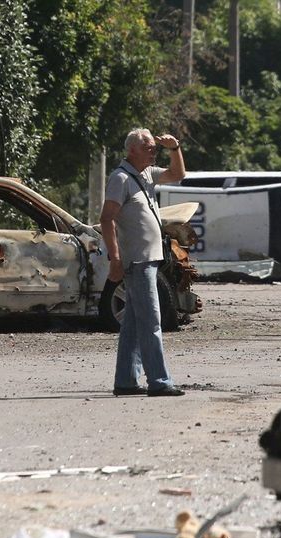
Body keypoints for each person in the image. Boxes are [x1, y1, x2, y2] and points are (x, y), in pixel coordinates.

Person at [100, 128, 187, 397]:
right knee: (151, 322)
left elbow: (178, 175)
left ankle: (125, 381)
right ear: (132, 150)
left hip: (149, 259)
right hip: (137, 261)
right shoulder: (121, 178)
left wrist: (175, 149)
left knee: (134, 324)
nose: (153, 151)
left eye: (154, 147)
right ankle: (159, 381)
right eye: (149, 147)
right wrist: (115, 258)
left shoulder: (146, 174)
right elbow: (106, 219)